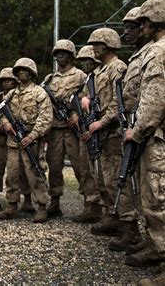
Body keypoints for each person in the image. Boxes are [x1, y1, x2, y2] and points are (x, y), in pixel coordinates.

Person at [123, 0, 165, 284]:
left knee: (159, 201)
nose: (140, 28)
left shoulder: (160, 53)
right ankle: (157, 247)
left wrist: (135, 131)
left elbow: (155, 101)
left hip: (158, 137)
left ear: (151, 23)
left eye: (142, 23)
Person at [106, 6, 152, 253]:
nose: (127, 33)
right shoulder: (138, 55)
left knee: (152, 189)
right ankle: (142, 236)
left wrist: (138, 126)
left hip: (147, 130)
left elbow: (154, 96)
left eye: (133, 27)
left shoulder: (154, 52)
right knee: (133, 182)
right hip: (133, 127)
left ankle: (156, 243)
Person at [81, 27, 127, 236]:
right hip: (101, 133)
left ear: (107, 45)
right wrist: (85, 99)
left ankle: (125, 223)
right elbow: (95, 97)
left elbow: (120, 101)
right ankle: (111, 214)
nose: (92, 49)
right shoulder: (98, 72)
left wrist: (103, 122)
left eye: (96, 45)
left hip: (114, 132)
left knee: (114, 177)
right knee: (101, 177)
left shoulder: (117, 68)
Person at [0, 58, 52, 223]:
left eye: (24, 70)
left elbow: (46, 118)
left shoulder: (39, 93)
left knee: (36, 173)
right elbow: (2, 112)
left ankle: (41, 206)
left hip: (32, 140)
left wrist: (32, 136)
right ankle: (12, 205)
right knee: (12, 174)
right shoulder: (12, 94)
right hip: (13, 141)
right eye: (18, 70)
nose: (20, 72)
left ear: (32, 73)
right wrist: (5, 124)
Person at [41, 40, 86, 218]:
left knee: (80, 165)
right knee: (54, 166)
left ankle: (90, 203)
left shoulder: (80, 75)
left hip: (73, 128)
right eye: (58, 53)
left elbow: (88, 97)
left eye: (64, 53)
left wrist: (76, 113)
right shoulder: (49, 79)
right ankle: (55, 202)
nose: (60, 55)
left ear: (71, 55)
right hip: (55, 129)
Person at [0, 68, 33, 212]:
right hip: (0, 140)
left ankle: (27, 199)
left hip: (17, 139)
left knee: (21, 171)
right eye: (5, 81)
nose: (8, 83)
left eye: (11, 81)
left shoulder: (20, 96)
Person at [72, 45, 103, 223]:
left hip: (101, 131)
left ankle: (105, 210)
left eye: (87, 61)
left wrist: (96, 125)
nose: (84, 64)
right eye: (82, 61)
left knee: (101, 173)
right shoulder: (88, 80)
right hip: (86, 130)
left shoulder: (102, 76)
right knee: (86, 170)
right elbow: (77, 101)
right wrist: (75, 115)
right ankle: (91, 207)